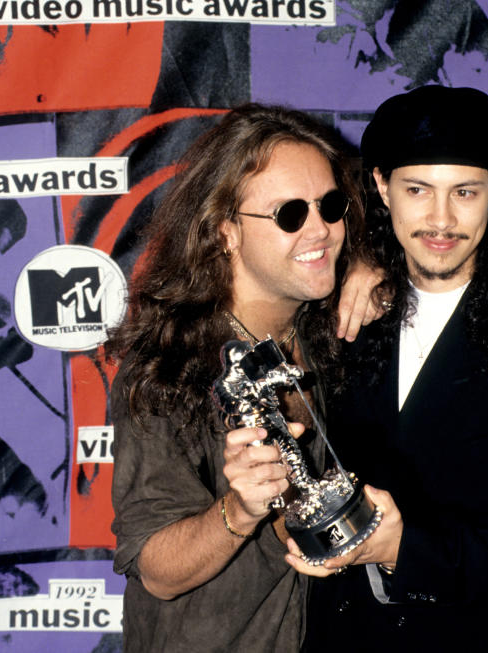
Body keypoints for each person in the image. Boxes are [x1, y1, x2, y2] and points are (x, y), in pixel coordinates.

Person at [288, 86, 488, 651]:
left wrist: (404, 549)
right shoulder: (341, 312)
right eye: (418, 190)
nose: (440, 220)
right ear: (380, 188)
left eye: (464, 192)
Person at [107, 103, 381, 652]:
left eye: (330, 206)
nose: (321, 230)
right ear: (225, 231)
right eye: (289, 215)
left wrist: (378, 270)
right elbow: (157, 569)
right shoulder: (171, 367)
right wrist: (239, 509)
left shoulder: (332, 335)